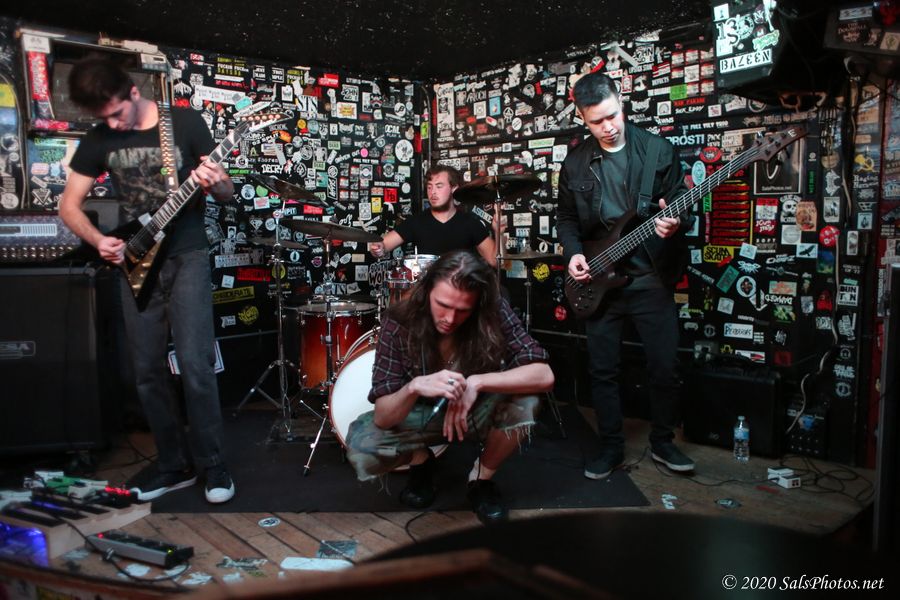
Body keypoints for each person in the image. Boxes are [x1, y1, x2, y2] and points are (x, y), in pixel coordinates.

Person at [59, 57, 236, 504]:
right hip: (135, 260)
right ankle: (174, 464)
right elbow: (68, 206)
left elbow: (226, 193)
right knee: (146, 371)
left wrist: (216, 181)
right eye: (104, 118)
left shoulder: (185, 123)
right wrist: (99, 240)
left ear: (134, 93)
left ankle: (214, 465)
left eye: (117, 113)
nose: (113, 125)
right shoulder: (99, 138)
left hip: (187, 255)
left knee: (196, 365)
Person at [345, 250, 554, 524]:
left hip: (476, 409)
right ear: (426, 291)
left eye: (463, 310)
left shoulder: (492, 309)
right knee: (363, 449)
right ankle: (422, 462)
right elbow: (384, 417)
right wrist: (414, 387)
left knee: (527, 401)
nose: (450, 319)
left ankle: (481, 478)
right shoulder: (398, 321)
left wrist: (477, 382)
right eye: (442, 305)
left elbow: (544, 374)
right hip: (423, 413)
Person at [556, 71, 695, 480]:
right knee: (603, 370)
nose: (608, 126)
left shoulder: (657, 150)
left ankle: (663, 442)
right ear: (582, 118)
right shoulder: (575, 163)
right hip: (600, 279)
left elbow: (683, 205)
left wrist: (676, 222)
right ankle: (611, 446)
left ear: (621, 100)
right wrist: (574, 254)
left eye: (613, 115)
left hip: (651, 275)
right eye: (596, 121)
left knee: (664, 366)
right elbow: (566, 218)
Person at [369, 164, 497, 267]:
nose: (433, 192)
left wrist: (499, 232)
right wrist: (378, 248)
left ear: (454, 189)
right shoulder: (416, 222)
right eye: (429, 187)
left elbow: (494, 261)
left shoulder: (470, 223)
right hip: (428, 287)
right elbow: (383, 246)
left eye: (439, 186)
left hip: (460, 287)